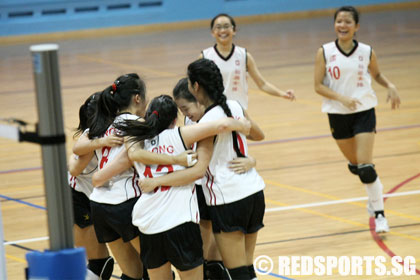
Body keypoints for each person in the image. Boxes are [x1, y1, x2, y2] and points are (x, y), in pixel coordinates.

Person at [92, 94, 251, 280]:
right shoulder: (181, 135)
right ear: (175, 120)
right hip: (180, 221)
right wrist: (241, 125)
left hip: (149, 224)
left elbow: (133, 155)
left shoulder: (136, 140)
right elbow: (219, 125)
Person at [138, 59, 266, 279]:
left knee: (238, 273)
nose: (185, 115)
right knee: (247, 269)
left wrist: (157, 180)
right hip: (253, 191)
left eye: (186, 109)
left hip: (228, 197)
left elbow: (198, 169)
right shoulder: (234, 105)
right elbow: (256, 134)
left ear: (195, 87)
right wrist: (249, 159)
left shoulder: (207, 122)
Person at [74, 73, 193, 280]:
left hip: (99, 205)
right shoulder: (136, 124)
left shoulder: (103, 123)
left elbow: (78, 147)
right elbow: (130, 157)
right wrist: (177, 159)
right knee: (157, 267)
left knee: (132, 273)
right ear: (137, 98)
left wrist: (99, 173)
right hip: (124, 203)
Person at [314, 6, 401, 233]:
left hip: (364, 110)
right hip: (337, 113)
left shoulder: (366, 51)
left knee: (366, 168)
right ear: (334, 25)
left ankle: (380, 215)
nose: (342, 25)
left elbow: (377, 74)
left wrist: (390, 85)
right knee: (356, 167)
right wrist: (341, 98)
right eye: (339, 21)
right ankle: (375, 198)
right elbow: (318, 86)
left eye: (347, 22)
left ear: (356, 27)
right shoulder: (324, 52)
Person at [173, 77, 257, 279]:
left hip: (220, 190)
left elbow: (248, 138)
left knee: (226, 261)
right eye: (181, 111)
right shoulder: (191, 122)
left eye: (185, 108)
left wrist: (251, 160)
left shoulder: (217, 117)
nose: (185, 114)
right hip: (199, 188)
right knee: (204, 256)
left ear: (198, 97)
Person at [200, 13, 295, 110]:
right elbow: (196, 87)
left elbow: (263, 84)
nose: (223, 30)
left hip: (238, 110)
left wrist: (282, 93)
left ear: (234, 30)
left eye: (226, 26)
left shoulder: (244, 56)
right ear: (212, 32)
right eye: (218, 27)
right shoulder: (205, 56)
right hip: (214, 110)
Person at [68, 92, 116, 280]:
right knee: (99, 265)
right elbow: (73, 168)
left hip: (104, 199)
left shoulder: (113, 132)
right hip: (79, 197)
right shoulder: (92, 138)